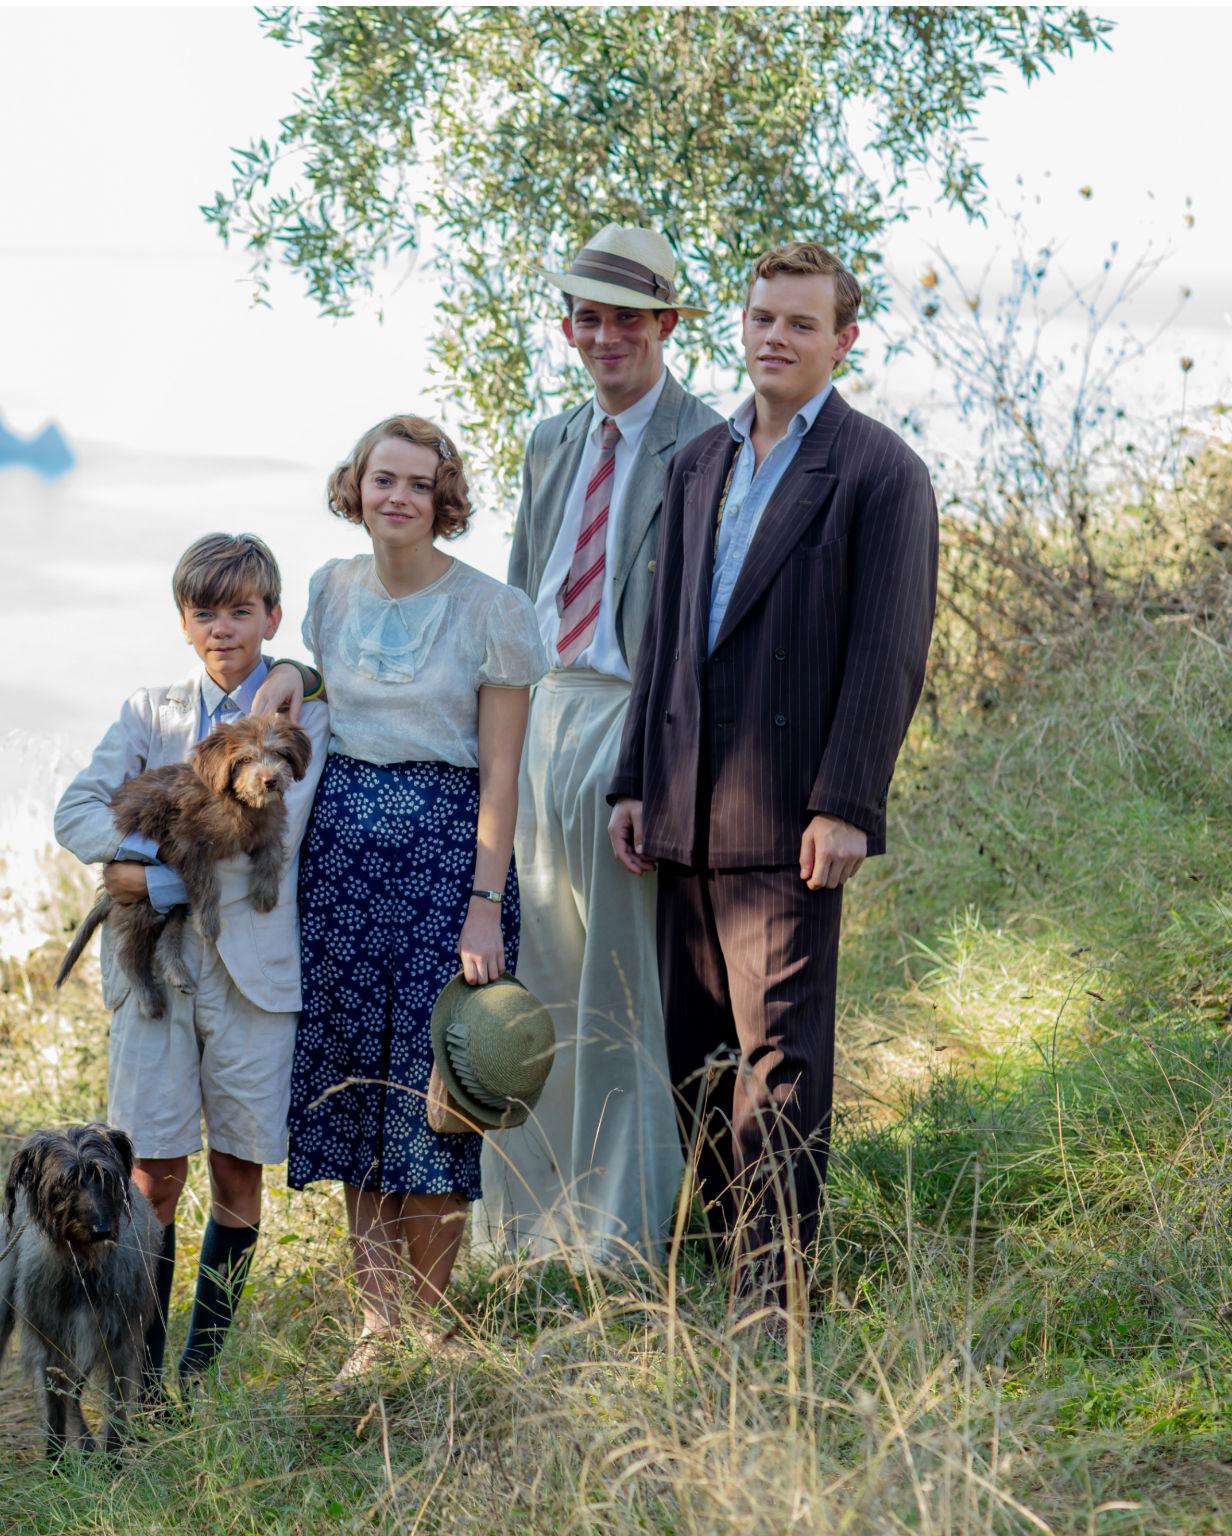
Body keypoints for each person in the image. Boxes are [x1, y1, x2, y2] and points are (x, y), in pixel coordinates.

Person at [606, 243, 938, 1324]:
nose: (773, 338)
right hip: (682, 806)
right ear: (738, 326)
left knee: (777, 1067)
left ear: (843, 341)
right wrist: (629, 783)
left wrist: (845, 803)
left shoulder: (879, 471)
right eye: (759, 318)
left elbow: (886, 654)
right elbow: (660, 641)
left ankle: (774, 1297)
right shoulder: (695, 463)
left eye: (798, 323)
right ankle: (719, 1265)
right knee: (692, 1065)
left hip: (791, 813)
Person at [285, 416, 549, 1382]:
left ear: (445, 499)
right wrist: (284, 670)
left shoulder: (494, 610)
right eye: (380, 478)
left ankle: (432, 1331)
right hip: (343, 862)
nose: (396, 496)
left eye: (418, 483)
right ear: (353, 486)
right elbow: (324, 697)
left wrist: (485, 900)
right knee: (357, 1090)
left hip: (448, 859)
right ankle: (374, 1324)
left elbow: (503, 775)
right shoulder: (328, 590)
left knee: (437, 1093)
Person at [479, 226, 723, 1270]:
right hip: (537, 716)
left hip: (632, 716)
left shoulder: (705, 442)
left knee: (620, 987)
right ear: (565, 326)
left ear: (667, 325)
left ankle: (617, 1236)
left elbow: (706, 623)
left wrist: (660, 767)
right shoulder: (547, 442)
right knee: (533, 984)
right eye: (587, 315)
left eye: (628, 316)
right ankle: (530, 1229)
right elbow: (520, 599)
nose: (605, 334)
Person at [53, 534, 329, 1397]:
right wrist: (129, 853)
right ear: (182, 622)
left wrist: (147, 876)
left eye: (241, 611)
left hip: (254, 971)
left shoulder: (302, 715)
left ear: (272, 617)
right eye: (204, 612)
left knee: (240, 1168)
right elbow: (74, 810)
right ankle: (144, 1376)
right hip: (155, 975)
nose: (222, 629)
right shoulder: (150, 711)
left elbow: (265, 841)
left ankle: (199, 1369)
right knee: (152, 1170)